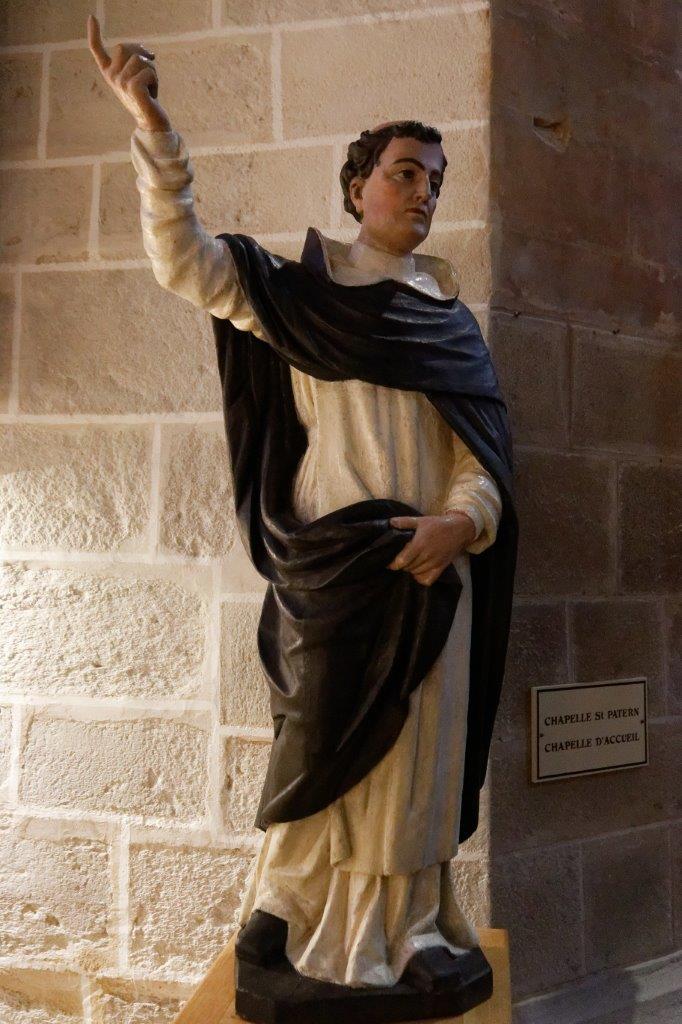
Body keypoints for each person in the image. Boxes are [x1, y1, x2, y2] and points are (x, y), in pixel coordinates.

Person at [87, 15, 515, 998]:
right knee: (319, 745)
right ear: (357, 187)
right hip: (332, 567)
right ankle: (290, 917)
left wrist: (462, 523)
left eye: (436, 179)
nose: (424, 191)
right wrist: (152, 126)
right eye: (405, 173)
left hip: (430, 571)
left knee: (416, 757)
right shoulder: (298, 295)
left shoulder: (452, 327)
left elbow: (482, 459)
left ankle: (409, 930)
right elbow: (185, 262)